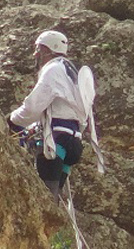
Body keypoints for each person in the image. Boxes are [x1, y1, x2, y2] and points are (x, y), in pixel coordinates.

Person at [9, 30, 93, 201]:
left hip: (55, 142)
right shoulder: (72, 73)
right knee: (52, 200)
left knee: (44, 201)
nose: (35, 53)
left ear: (48, 50)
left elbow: (33, 107)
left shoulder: (53, 70)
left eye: (38, 48)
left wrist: (12, 121)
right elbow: (75, 114)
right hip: (73, 143)